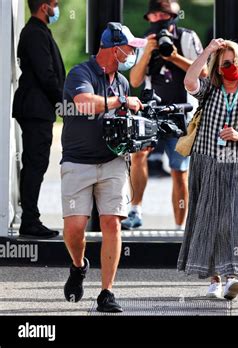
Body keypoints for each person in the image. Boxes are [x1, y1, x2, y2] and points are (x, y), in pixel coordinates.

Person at [61, 23, 146, 312]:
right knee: (75, 227)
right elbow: (84, 104)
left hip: (112, 161)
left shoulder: (122, 81)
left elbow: (120, 121)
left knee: (112, 222)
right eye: (129, 48)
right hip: (77, 161)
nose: (132, 52)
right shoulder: (80, 73)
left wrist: (139, 135)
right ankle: (77, 266)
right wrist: (121, 101)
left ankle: (106, 293)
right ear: (114, 48)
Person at [179, 39, 238, 300]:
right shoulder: (209, 91)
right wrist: (208, 51)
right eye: (224, 63)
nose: (230, 66)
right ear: (217, 69)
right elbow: (189, 81)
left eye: (234, 62)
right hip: (206, 164)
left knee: (236, 222)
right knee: (207, 220)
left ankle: (233, 276)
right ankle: (214, 279)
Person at [125, 0, 206, 230]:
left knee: (179, 171)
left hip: (182, 110)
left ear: (172, 17)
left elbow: (205, 72)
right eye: (153, 16)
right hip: (153, 109)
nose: (158, 21)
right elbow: (135, 80)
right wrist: (148, 52)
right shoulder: (145, 41)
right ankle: (135, 209)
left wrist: (174, 57)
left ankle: (180, 227)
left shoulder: (187, 38)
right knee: (139, 155)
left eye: (163, 16)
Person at [12, 0, 65, 239]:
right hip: (35, 109)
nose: (58, 7)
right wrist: (63, 103)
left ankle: (30, 217)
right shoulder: (34, 32)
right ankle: (30, 221)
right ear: (44, 7)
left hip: (37, 108)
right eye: (54, 3)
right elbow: (47, 74)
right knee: (35, 164)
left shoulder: (38, 31)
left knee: (35, 164)